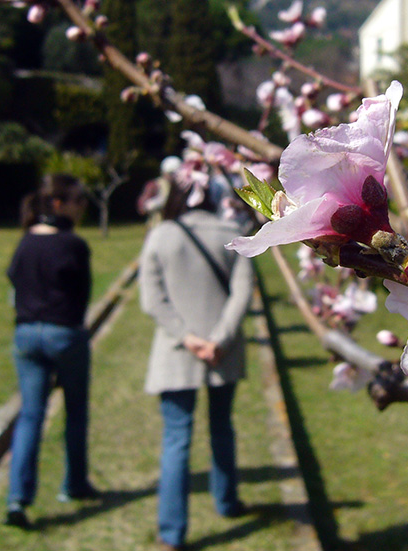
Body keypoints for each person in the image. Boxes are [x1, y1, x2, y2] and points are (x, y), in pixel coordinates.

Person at [139, 176, 254, 551]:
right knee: (222, 427)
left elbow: (152, 298)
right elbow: (242, 294)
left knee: (176, 438)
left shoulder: (161, 235)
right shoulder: (233, 233)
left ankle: (171, 533)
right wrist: (219, 338)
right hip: (224, 350)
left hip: (177, 350)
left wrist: (186, 338)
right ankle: (228, 501)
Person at [4, 173, 98, 529]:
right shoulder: (72, 244)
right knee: (75, 413)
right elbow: (82, 294)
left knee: (30, 415)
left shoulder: (25, 242)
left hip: (27, 335)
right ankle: (75, 483)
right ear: (59, 204)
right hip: (65, 334)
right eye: (78, 201)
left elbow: (13, 279)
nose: (82, 208)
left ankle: (17, 498)